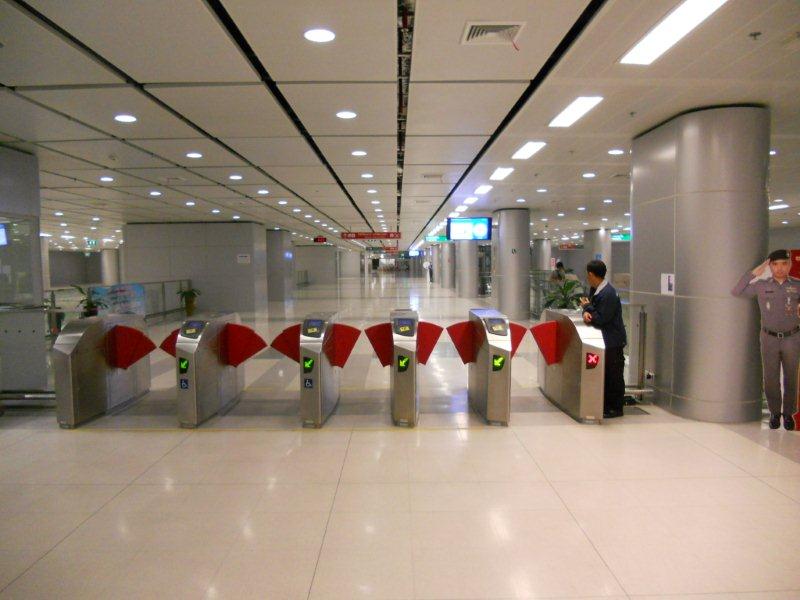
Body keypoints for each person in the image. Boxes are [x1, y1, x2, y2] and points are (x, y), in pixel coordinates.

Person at [731, 249, 800, 430]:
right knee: (770, 377)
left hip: (792, 337)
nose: (780, 268)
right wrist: (754, 273)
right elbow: (737, 291)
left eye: (784, 264)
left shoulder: (797, 285)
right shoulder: (761, 285)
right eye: (775, 264)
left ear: (790, 265)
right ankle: (775, 413)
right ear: (770, 266)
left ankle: (789, 413)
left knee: (791, 376)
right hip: (769, 337)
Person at [579, 260, 627, 419]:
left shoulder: (608, 294)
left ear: (591, 274)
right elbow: (592, 312)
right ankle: (606, 405)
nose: (587, 278)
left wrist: (587, 308)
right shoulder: (597, 290)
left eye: (588, 274)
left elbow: (601, 318)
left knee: (614, 376)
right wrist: (587, 312)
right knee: (606, 374)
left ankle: (615, 408)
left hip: (613, 341)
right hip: (605, 340)